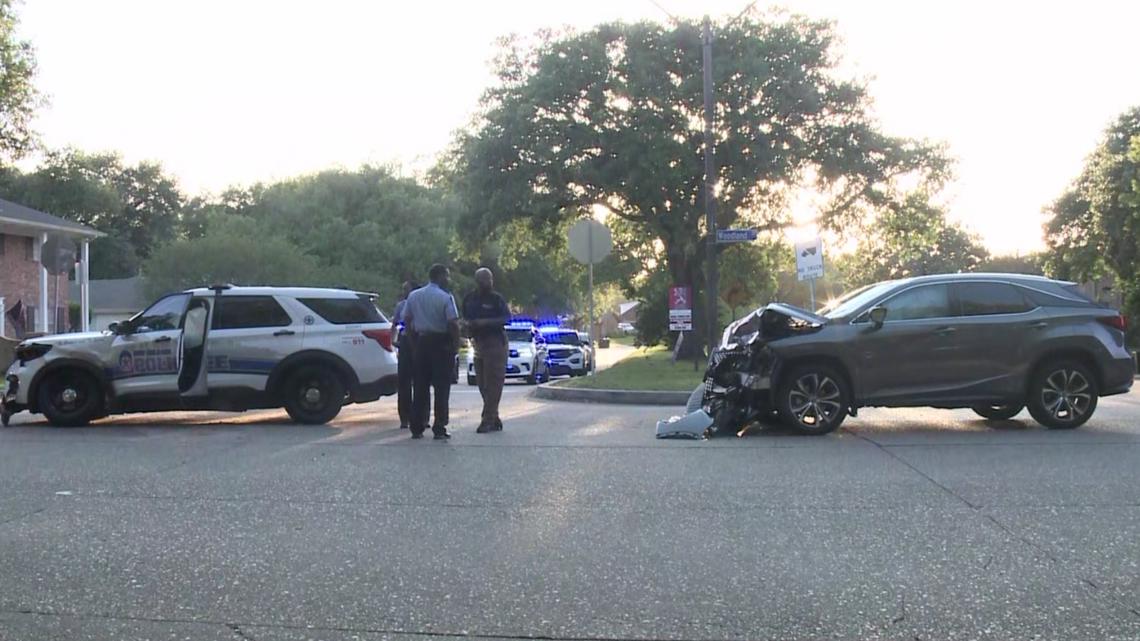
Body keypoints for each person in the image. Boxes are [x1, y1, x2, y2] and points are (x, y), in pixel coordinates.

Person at [402, 264, 460, 440]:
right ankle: (439, 426)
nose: (448, 279)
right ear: (440, 276)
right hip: (441, 343)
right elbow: (452, 323)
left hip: (422, 342)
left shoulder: (414, 296)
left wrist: (413, 343)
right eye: (447, 276)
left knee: (420, 386)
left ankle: (416, 427)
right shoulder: (445, 297)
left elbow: (407, 319)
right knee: (442, 388)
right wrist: (455, 345)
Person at [462, 267, 511, 433]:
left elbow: (506, 319)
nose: (488, 282)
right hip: (477, 343)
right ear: (477, 281)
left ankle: (487, 420)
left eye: (490, 279)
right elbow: (465, 317)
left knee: (494, 383)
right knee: (482, 383)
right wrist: (467, 327)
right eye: (484, 280)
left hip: (495, 343)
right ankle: (494, 416)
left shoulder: (496, 299)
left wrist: (484, 322)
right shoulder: (470, 299)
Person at [392, 281, 417, 430]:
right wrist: (392, 341)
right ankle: (404, 418)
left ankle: (421, 416)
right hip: (405, 342)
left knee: (421, 381)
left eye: (407, 289)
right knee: (404, 382)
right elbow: (394, 324)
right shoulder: (401, 305)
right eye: (404, 289)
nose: (405, 292)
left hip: (420, 339)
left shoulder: (420, 303)